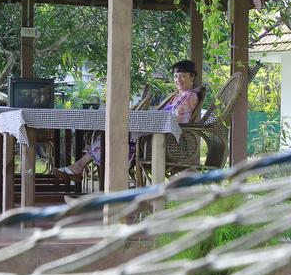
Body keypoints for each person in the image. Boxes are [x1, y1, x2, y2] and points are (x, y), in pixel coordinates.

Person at [55, 59, 201, 182]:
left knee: (115, 134)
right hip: (152, 133)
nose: (178, 80)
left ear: (192, 77)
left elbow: (177, 119)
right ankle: (87, 171)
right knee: (114, 134)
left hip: (165, 138)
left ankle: (84, 169)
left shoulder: (190, 96)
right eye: (176, 77)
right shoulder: (179, 96)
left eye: (182, 76)